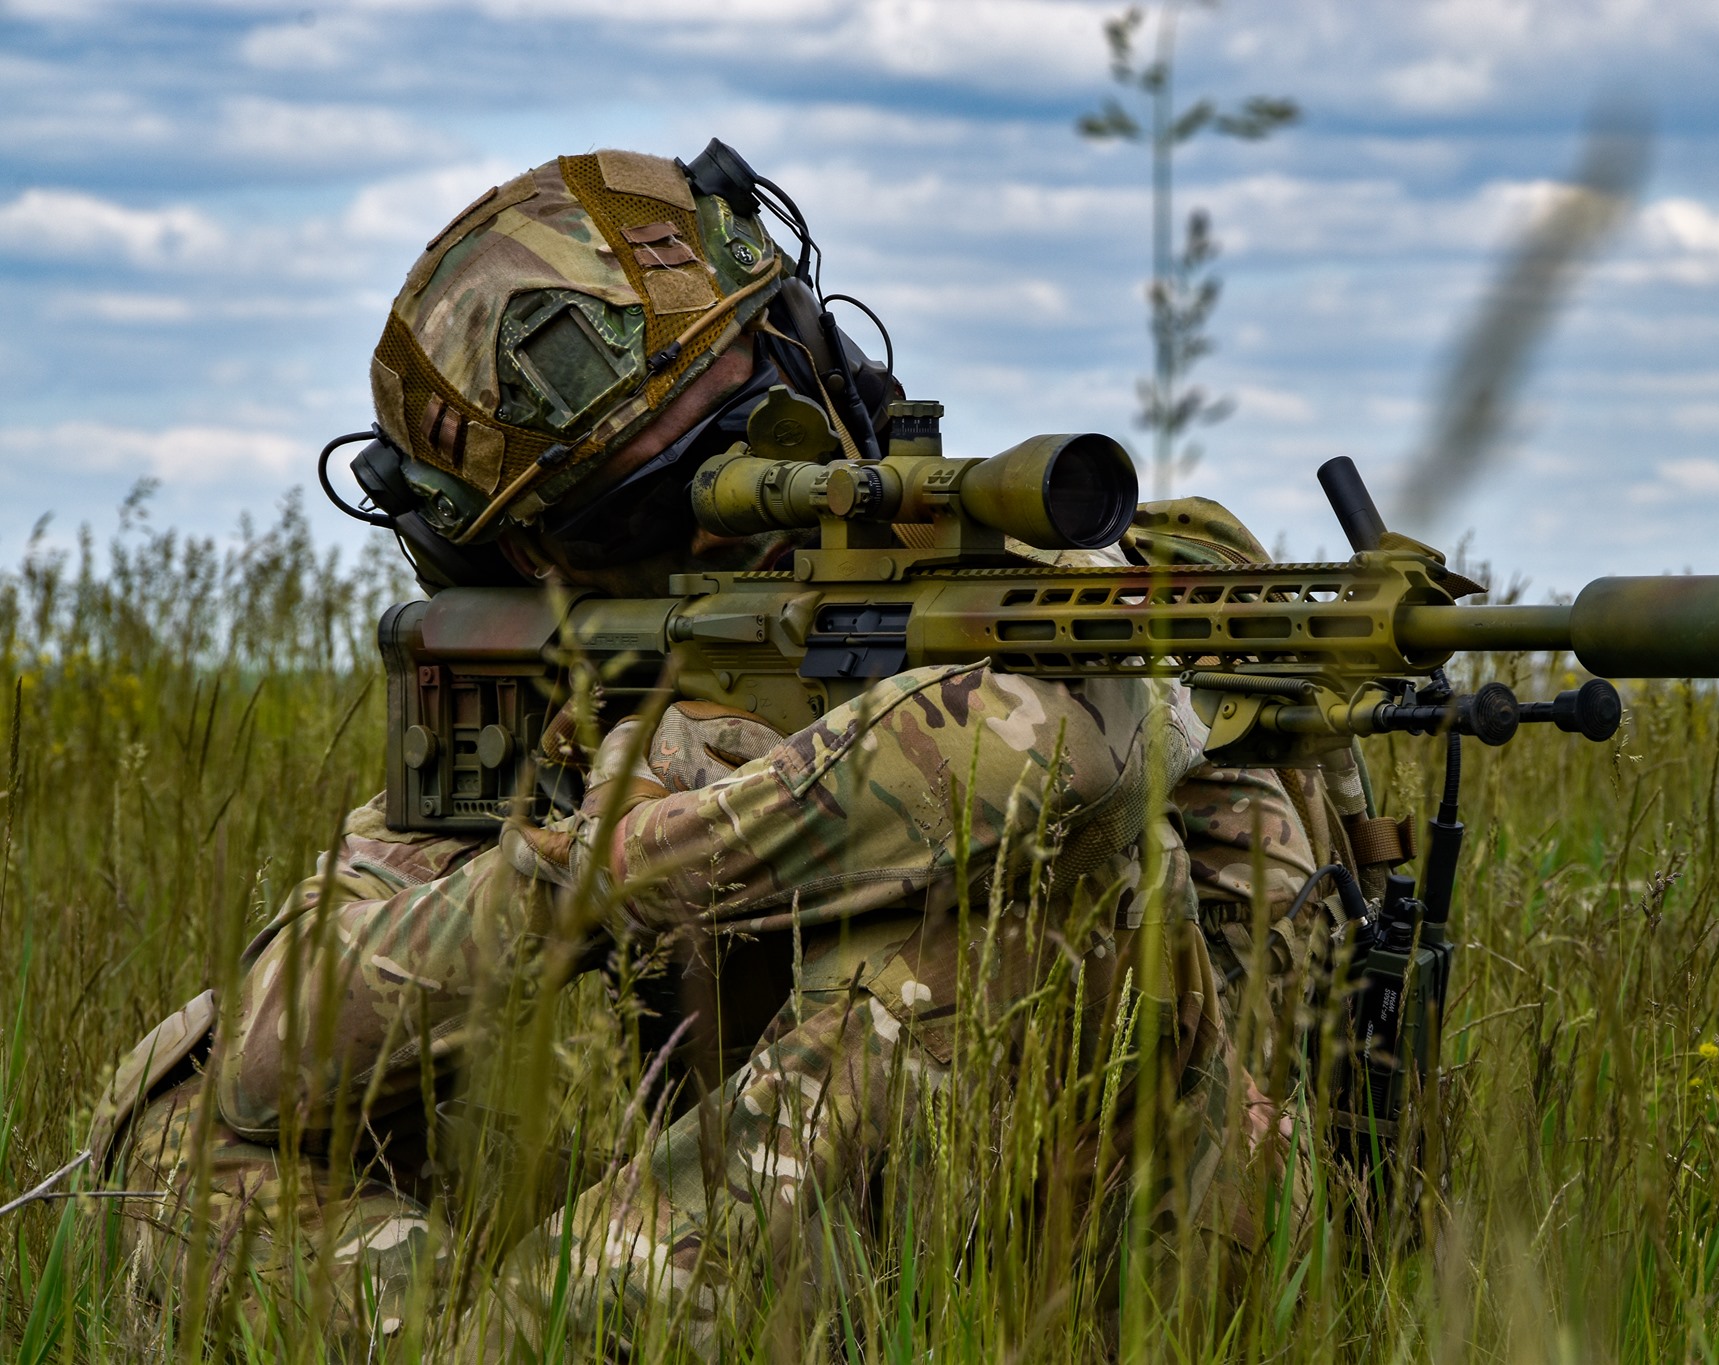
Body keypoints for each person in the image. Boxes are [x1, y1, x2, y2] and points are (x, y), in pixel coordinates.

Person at [84, 142, 1397, 1356]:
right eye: (639, 512)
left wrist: (728, 816)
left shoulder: (1069, 595)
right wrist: (585, 868)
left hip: (1098, 1264)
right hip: (750, 1250)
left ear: (815, 360)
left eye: (749, 431)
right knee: (173, 1127)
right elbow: (270, 1054)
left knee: (1017, 887)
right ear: (524, 558)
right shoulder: (572, 681)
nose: (726, 522)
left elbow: (1085, 773)